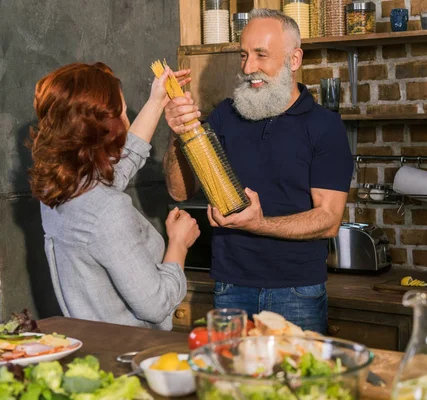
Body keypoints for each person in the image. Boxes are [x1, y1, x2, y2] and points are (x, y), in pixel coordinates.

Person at [162, 9, 354, 333]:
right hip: (229, 286)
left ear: (294, 60)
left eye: (260, 55)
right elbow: (180, 192)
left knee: (295, 381)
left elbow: (328, 220)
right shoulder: (226, 115)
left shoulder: (325, 126)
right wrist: (177, 134)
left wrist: (258, 223)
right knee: (232, 381)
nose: (248, 68)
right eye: (244, 55)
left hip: (296, 293)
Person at [28, 62, 200, 330]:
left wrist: (156, 102)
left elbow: (115, 173)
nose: (126, 117)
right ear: (107, 126)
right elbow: (156, 305)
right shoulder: (108, 210)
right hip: (128, 356)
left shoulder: (54, 188)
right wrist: (179, 242)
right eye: (121, 109)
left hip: (92, 345)